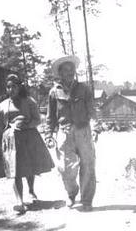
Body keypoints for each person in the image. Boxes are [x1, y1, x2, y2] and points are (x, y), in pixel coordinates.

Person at [46, 55, 99, 212]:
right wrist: (49, 134)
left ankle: (87, 200)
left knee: (88, 165)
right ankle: (72, 192)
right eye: (66, 70)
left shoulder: (84, 89)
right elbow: (50, 117)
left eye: (72, 69)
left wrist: (95, 128)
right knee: (65, 168)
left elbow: (92, 111)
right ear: (60, 73)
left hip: (83, 131)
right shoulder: (54, 92)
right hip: (64, 132)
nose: (70, 72)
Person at [0, 74, 54, 214]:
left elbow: (38, 120)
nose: (11, 89)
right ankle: (19, 201)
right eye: (8, 87)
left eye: (14, 86)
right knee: (14, 171)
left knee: (29, 168)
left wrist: (26, 124)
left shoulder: (29, 101)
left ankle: (31, 191)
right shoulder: (2, 105)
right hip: (10, 141)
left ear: (19, 87)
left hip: (29, 138)